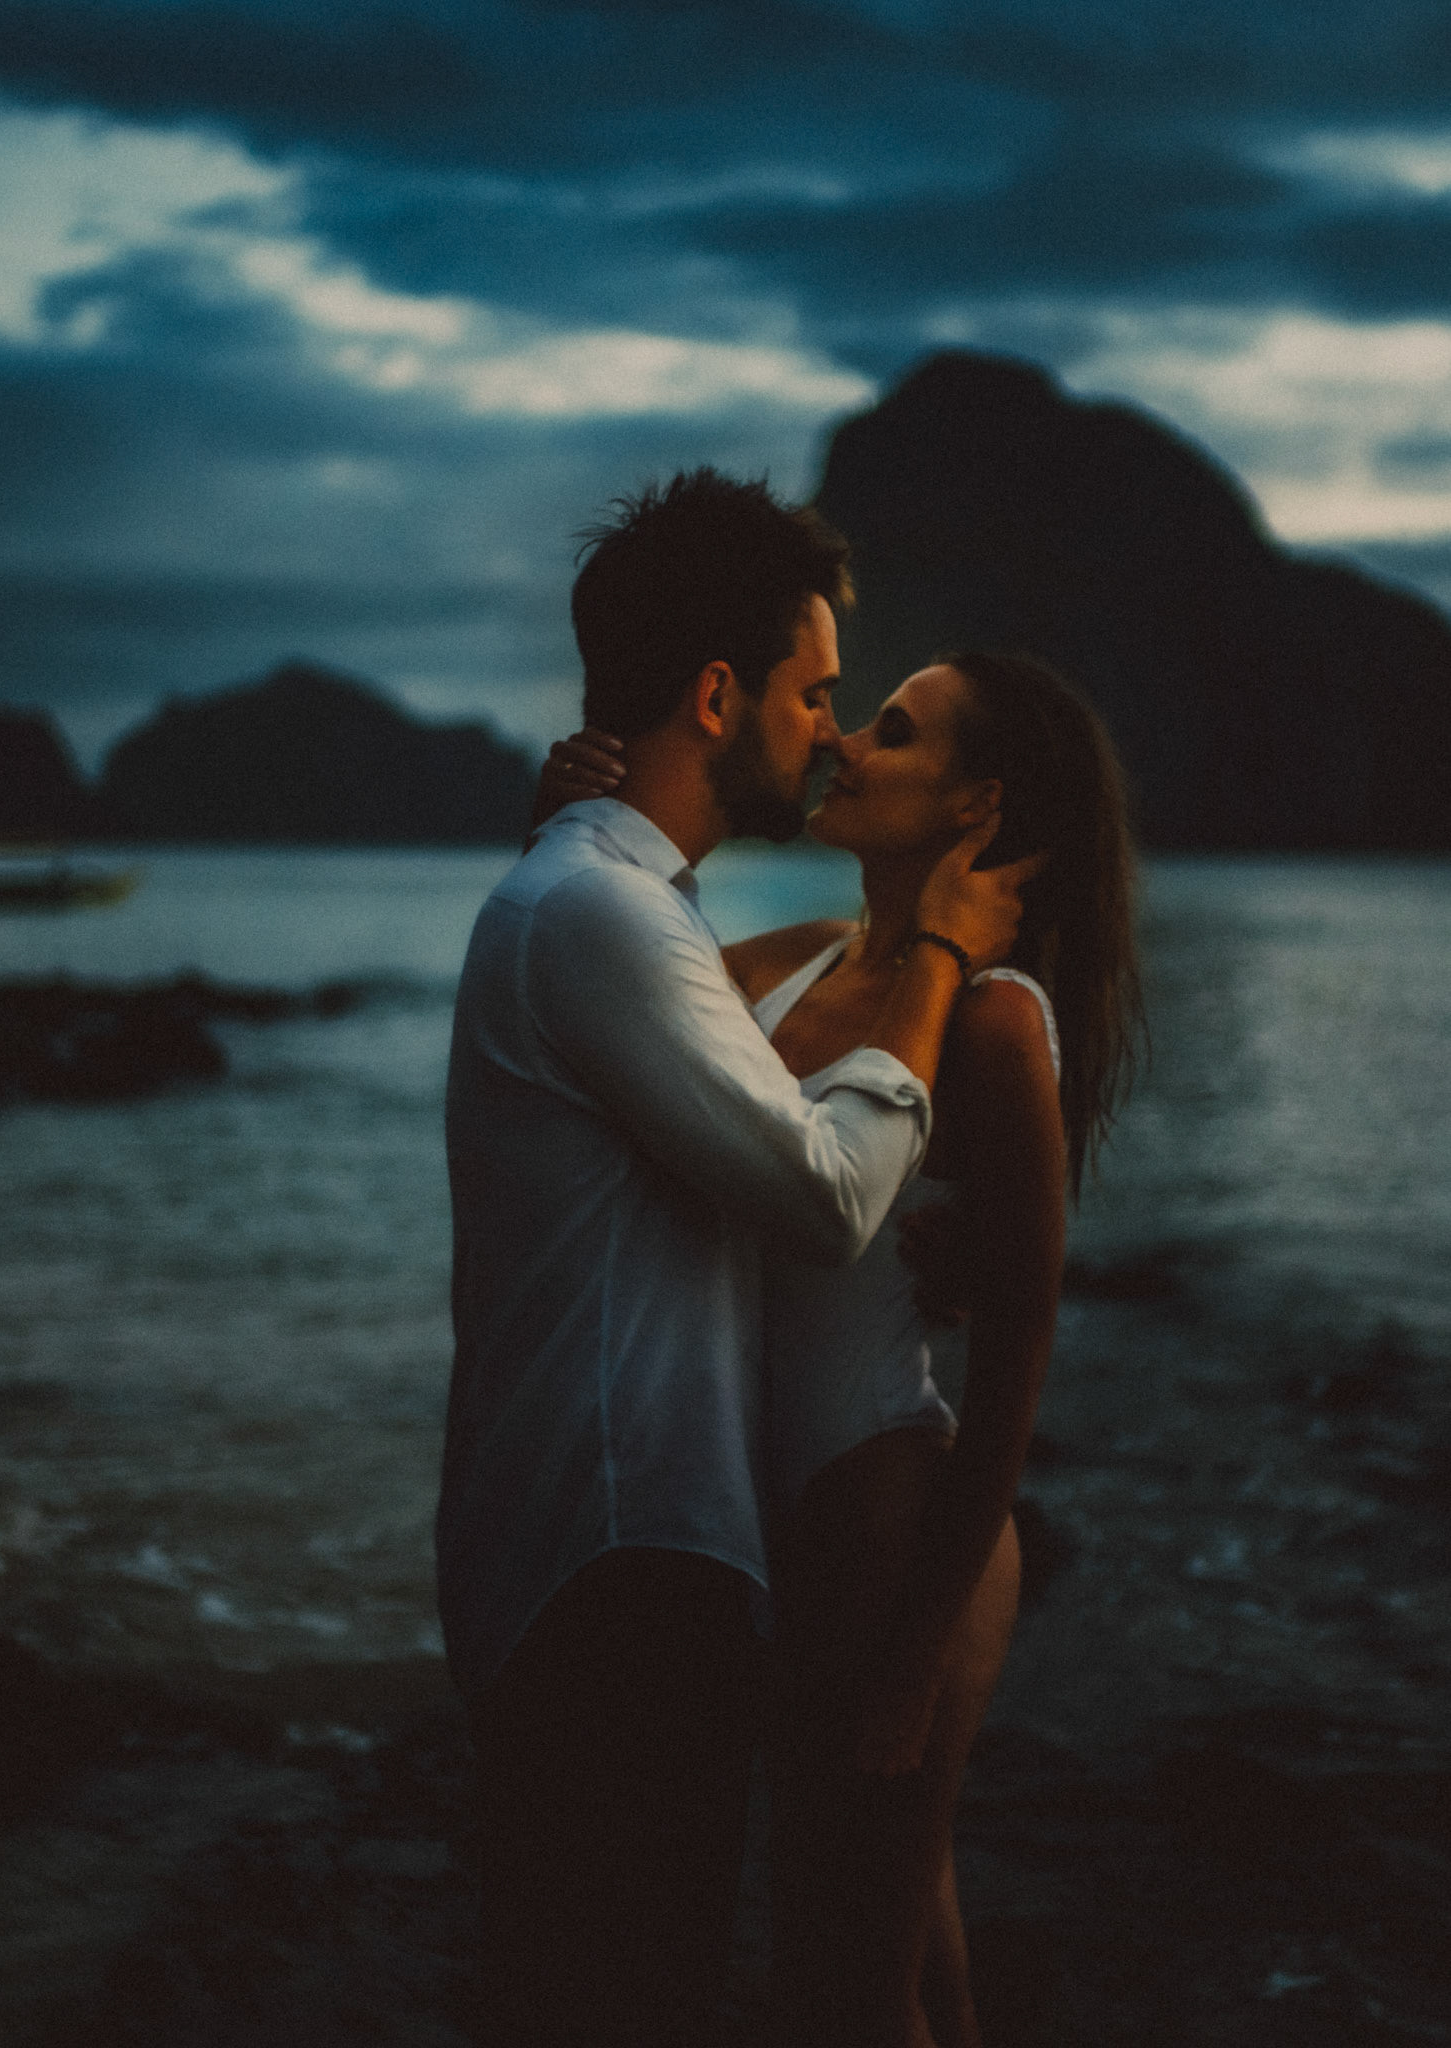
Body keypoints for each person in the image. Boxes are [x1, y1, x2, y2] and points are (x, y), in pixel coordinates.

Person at [437, 471, 1040, 2047]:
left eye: (865, 715)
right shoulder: (605, 918)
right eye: (819, 694)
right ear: (717, 696)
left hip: (647, 1561)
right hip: (622, 1568)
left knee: (830, 1970)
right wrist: (935, 951)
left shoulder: (616, 913)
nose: (830, 734)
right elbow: (830, 1194)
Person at [547, 648, 1144, 2046]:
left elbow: (1021, 1337)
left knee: (842, 1976)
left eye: (891, 732)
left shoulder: (993, 1020)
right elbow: (613, 951)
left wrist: (918, 1649)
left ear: (971, 805)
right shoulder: (789, 956)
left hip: (884, 1501)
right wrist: (573, 813)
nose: (844, 746)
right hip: (767, 1508)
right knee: (899, 1933)